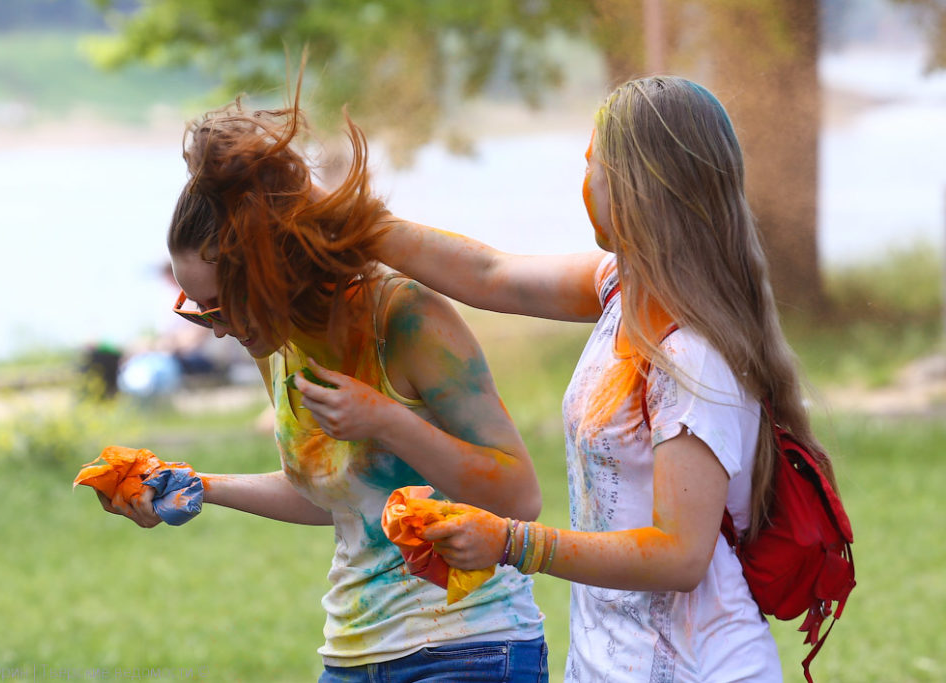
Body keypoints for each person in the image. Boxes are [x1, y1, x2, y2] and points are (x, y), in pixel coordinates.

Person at [349, 76, 835, 681]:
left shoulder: (691, 354)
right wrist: (353, 223)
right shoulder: (622, 290)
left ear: (635, 185)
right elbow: (491, 274)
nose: (583, 182)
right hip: (605, 664)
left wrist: (513, 542)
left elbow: (681, 555)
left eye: (592, 164)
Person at [94, 84, 549, 682]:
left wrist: (387, 422)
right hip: (353, 654)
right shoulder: (275, 343)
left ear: (268, 268)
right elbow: (333, 498)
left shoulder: (405, 319)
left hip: (472, 648)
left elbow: (519, 498)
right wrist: (200, 485)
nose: (217, 330)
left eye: (221, 306)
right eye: (198, 310)